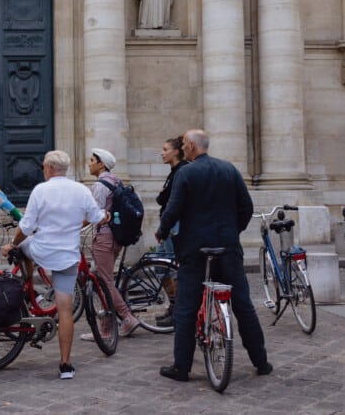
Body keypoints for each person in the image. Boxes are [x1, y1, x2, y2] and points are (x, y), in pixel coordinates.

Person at [155, 129, 272, 382]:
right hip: (228, 247)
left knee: (186, 308)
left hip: (195, 249)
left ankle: (181, 367)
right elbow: (246, 207)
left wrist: (162, 232)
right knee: (243, 305)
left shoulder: (186, 172)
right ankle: (261, 361)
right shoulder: (229, 169)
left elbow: (173, 209)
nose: (183, 149)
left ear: (193, 147)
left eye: (185, 145)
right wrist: (233, 230)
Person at [1, 150, 109, 380]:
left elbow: (27, 226)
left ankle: (29, 289)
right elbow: (97, 217)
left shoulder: (41, 190)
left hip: (41, 250)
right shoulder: (80, 190)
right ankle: (65, 365)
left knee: (22, 247)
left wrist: (12, 244)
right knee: (65, 309)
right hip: (67, 255)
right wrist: (99, 218)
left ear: (49, 168)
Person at [80, 149, 142, 343]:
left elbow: (94, 215)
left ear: (101, 164)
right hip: (116, 237)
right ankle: (106, 328)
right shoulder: (116, 181)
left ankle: (127, 318)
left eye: (92, 160)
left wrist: (71, 227)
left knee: (104, 281)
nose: (89, 164)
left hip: (104, 237)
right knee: (103, 280)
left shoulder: (100, 185)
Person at [153, 136, 189, 327]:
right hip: (170, 224)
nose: (162, 152)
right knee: (161, 267)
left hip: (174, 226)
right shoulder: (175, 172)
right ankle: (174, 307)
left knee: (171, 268)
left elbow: (170, 202)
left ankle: (177, 311)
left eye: (166, 149)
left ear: (176, 151)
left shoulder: (181, 171)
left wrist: (163, 228)